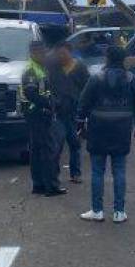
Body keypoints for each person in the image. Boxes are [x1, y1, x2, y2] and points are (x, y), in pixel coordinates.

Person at [78, 45, 135, 223]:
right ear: (123, 59)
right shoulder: (132, 80)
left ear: (107, 58)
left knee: (97, 171)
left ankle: (97, 210)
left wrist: (80, 124)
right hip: (122, 130)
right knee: (119, 170)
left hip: (98, 129)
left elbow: (84, 103)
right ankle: (119, 212)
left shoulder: (96, 78)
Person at [20, 40, 66, 196]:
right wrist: (50, 104)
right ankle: (51, 186)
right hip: (37, 114)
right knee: (48, 151)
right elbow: (31, 94)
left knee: (38, 150)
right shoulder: (31, 71)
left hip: (38, 114)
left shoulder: (40, 68)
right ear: (33, 53)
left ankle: (39, 185)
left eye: (44, 52)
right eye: (41, 53)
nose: (44, 55)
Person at [48, 42, 90, 184]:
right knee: (56, 145)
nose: (61, 56)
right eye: (58, 54)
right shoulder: (53, 68)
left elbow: (87, 89)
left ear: (70, 52)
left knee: (75, 144)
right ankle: (54, 174)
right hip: (58, 113)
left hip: (74, 113)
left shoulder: (80, 68)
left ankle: (75, 173)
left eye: (64, 53)